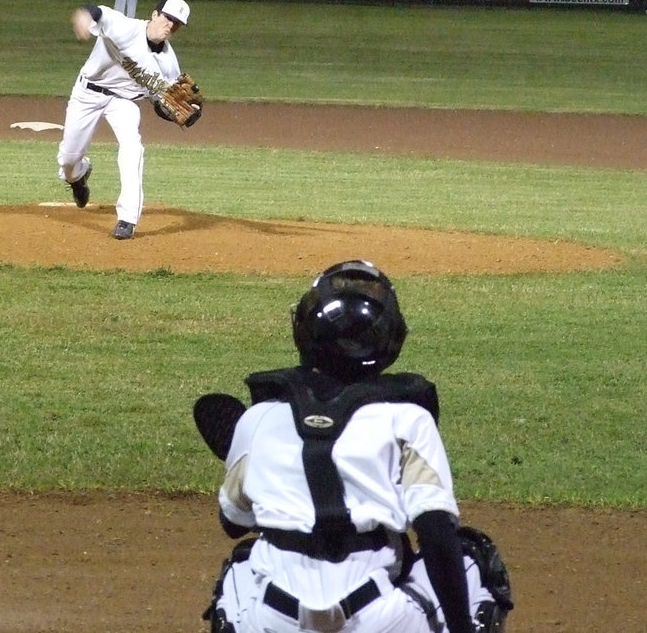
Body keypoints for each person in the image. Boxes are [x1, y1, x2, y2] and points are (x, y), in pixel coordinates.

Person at [197, 260, 513, 633]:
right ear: (391, 337)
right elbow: (436, 533)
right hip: (379, 617)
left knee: (242, 565)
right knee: (473, 558)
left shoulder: (260, 418)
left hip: (273, 616)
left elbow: (234, 523)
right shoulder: (409, 419)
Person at [56, 0, 191, 240]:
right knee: (68, 161)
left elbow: (162, 105)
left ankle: (127, 219)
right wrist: (85, 15)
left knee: (132, 147)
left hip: (124, 102)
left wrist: (176, 114)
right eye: (168, 18)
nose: (170, 25)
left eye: (177, 23)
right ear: (155, 15)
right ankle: (78, 176)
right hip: (88, 93)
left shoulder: (170, 65)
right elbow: (99, 12)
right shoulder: (126, 28)